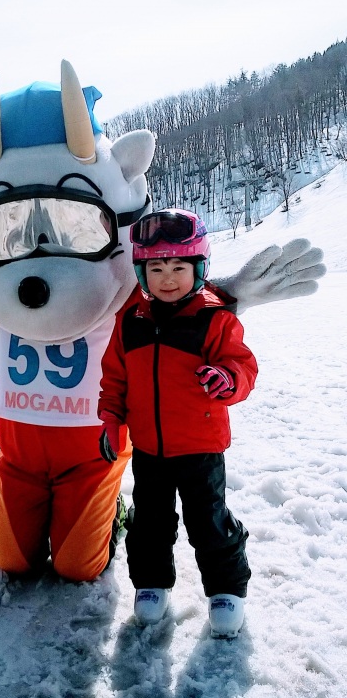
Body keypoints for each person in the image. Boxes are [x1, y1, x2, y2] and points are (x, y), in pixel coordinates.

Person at [98, 209, 258, 638]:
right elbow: (114, 379)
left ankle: (226, 589)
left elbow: (242, 366)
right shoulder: (130, 321)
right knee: (149, 520)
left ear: (199, 268)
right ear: (142, 272)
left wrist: (227, 379)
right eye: (156, 268)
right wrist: (112, 419)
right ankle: (151, 584)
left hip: (201, 448)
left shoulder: (214, 318)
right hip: (149, 448)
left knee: (208, 520)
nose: (167, 278)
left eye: (178, 267)